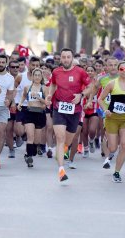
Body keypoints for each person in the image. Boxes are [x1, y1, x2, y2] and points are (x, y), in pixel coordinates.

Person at [45, 48, 92, 182]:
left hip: (74, 110)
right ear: (60, 58)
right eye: (63, 57)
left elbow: (90, 87)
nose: (66, 59)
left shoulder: (80, 72)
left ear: (72, 58)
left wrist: (81, 95)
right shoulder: (56, 72)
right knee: (60, 138)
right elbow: (53, 85)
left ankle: (63, 150)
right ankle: (61, 170)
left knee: (68, 141)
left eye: (68, 57)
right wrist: (50, 94)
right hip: (58, 108)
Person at [98, 61, 125, 183]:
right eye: (121, 69)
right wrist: (105, 110)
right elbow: (100, 99)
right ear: (118, 71)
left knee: (123, 145)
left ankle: (116, 172)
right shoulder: (112, 84)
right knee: (112, 147)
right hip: (112, 118)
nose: (124, 71)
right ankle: (110, 151)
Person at [18, 68, 47, 167]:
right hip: (29, 112)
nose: (37, 77)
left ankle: (29, 153)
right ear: (32, 76)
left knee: (37, 140)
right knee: (30, 136)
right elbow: (23, 96)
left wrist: (39, 98)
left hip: (40, 113)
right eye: (36, 75)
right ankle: (29, 157)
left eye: (39, 75)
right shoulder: (27, 87)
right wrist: (20, 104)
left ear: (41, 77)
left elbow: (47, 103)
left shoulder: (44, 88)